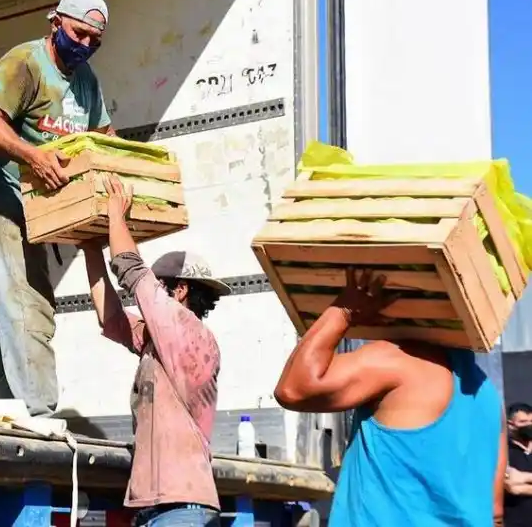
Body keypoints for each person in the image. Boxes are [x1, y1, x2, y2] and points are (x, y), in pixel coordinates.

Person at [0, 0, 116, 416]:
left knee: (28, 311)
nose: (85, 45)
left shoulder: (86, 82)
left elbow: (104, 137)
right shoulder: (25, 62)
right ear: (56, 22)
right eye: (79, 34)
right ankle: (41, 414)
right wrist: (32, 155)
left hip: (36, 214)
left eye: (94, 41)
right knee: (26, 308)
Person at [274, 268, 506, 526]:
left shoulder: (398, 361)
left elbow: (292, 389)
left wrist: (345, 309)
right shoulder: (487, 395)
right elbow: (494, 512)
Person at [80, 174, 230, 527]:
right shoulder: (161, 340)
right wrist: (90, 250)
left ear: (179, 291)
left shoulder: (187, 333)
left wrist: (116, 215)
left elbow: (132, 271)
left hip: (182, 509)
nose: (152, 297)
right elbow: (112, 320)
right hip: (161, 508)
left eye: (159, 289)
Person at [504, 402, 532, 526]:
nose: (529, 425)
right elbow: (512, 487)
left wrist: (523, 477)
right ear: (511, 425)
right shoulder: (502, 451)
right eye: (523, 422)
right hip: (514, 521)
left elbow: (518, 485)